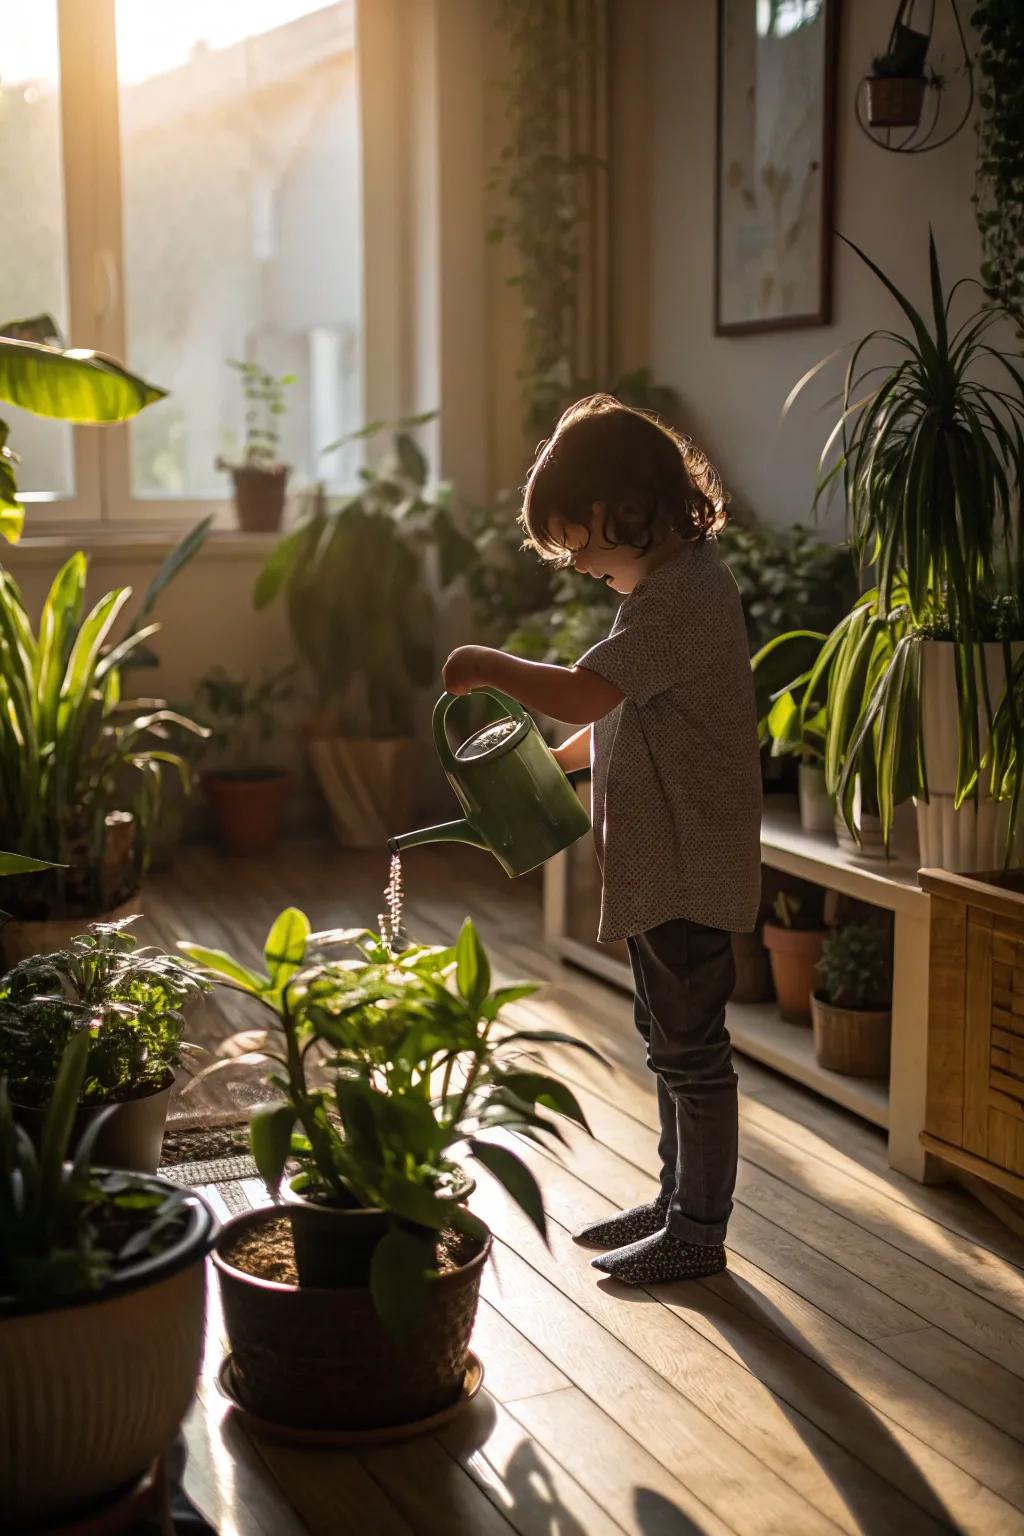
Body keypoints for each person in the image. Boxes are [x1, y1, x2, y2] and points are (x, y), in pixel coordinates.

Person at [442, 394, 761, 1284]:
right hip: (667, 862)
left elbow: (588, 691)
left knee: (692, 1055)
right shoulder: (667, 589)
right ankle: (676, 1200)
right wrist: (562, 762)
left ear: (630, 508)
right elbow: (621, 713)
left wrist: (486, 665)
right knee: (668, 1039)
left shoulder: (681, 599)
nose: (579, 565)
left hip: (689, 865)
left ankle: (699, 1227)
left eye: (579, 543)